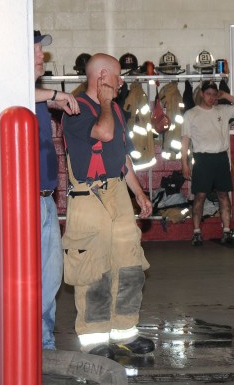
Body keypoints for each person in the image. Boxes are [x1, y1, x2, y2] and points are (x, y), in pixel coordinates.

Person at [61, 53, 154, 360]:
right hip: (89, 198)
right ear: (102, 78)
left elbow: (123, 156)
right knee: (94, 272)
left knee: (129, 266)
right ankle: (95, 339)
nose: (122, 82)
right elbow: (104, 133)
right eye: (117, 77)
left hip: (117, 193)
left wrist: (139, 195)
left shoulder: (114, 107)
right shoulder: (74, 110)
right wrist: (103, 102)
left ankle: (126, 331)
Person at [33, 30, 80, 350]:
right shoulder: (13, 89)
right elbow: (8, 88)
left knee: (51, 277)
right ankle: (37, 341)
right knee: (35, 277)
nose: (42, 56)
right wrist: (52, 96)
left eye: (41, 50)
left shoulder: (35, 94)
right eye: (35, 50)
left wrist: (50, 97)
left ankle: (44, 341)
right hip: (26, 201)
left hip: (46, 198)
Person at [180, 81, 234, 246]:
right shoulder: (191, 114)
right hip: (202, 159)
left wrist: (225, 95)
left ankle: (226, 232)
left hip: (220, 158)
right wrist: (184, 163)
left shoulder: (223, 111)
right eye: (208, 94)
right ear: (202, 94)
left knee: (223, 195)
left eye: (214, 94)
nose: (211, 97)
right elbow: (185, 140)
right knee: (200, 196)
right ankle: (197, 233)